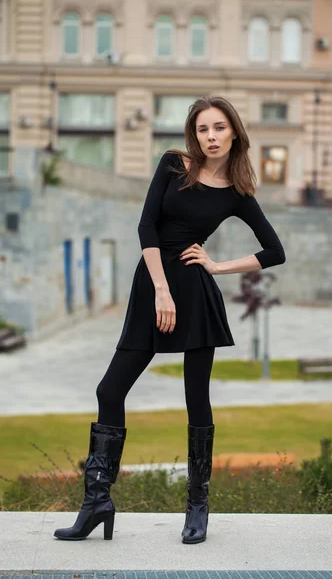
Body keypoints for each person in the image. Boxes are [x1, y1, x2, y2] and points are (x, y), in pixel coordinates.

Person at [53, 95, 286, 545]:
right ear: (193, 134)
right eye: (203, 129)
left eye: (219, 128)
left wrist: (217, 267)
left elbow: (275, 251)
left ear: (234, 131)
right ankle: (97, 502)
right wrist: (160, 287)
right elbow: (147, 225)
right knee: (109, 389)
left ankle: (197, 507)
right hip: (153, 288)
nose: (211, 136)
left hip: (197, 297)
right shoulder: (173, 164)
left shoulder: (238, 192)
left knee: (196, 399)